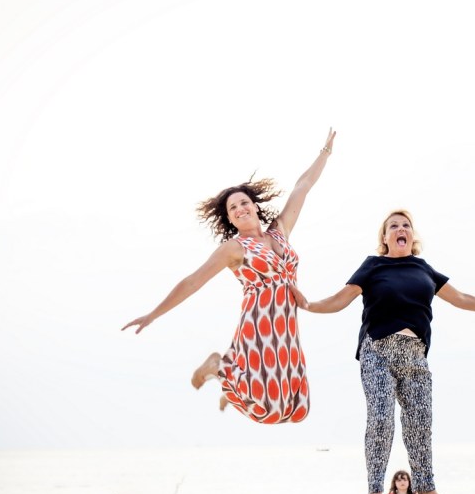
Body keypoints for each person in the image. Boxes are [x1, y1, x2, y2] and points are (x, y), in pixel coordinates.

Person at [292, 210, 475, 494]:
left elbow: (461, 298)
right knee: (381, 419)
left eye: (406, 226)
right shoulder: (373, 266)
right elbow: (340, 300)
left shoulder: (424, 269)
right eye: (393, 226)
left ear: (412, 237)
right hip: (378, 350)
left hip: (416, 355)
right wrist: (308, 304)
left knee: (420, 423)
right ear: (385, 238)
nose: (401, 229)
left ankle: (426, 488)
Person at [123, 129, 336, 424]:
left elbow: (303, 185)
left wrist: (324, 152)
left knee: (297, 410)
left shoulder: (280, 230)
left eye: (244, 203)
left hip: (286, 327)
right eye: (233, 208)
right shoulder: (234, 249)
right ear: (230, 218)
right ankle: (219, 367)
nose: (240, 208)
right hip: (259, 325)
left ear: (254, 206)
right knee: (268, 412)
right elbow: (193, 281)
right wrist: (153, 314)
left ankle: (230, 386)